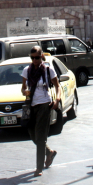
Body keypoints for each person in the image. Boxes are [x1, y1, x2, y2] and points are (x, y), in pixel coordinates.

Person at [21, 46, 61, 177]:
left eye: (37, 58)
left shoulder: (48, 70)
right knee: (32, 133)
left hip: (44, 104)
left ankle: (39, 168)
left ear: (41, 56)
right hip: (31, 105)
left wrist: (57, 100)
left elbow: (57, 86)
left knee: (41, 136)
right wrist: (25, 91)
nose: (34, 60)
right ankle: (49, 152)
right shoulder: (27, 70)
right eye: (32, 58)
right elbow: (23, 88)